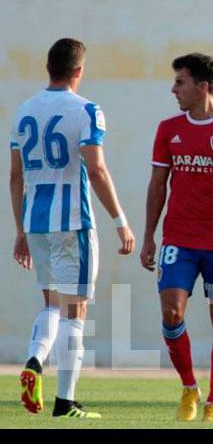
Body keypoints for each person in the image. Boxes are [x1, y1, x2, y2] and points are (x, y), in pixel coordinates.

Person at [11, 38, 135, 419]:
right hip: (73, 223)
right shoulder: (86, 110)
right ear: (78, 71)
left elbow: (15, 177)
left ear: (48, 66)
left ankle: (35, 360)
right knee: (74, 310)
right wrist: (120, 221)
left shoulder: (24, 111)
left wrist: (20, 230)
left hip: (36, 222)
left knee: (51, 303)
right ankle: (65, 401)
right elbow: (96, 169)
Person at [139, 53, 213, 423]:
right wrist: (148, 236)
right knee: (171, 311)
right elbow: (158, 185)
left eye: (180, 82)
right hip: (179, 238)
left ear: (202, 86)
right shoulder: (168, 128)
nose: (173, 89)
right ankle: (189, 388)